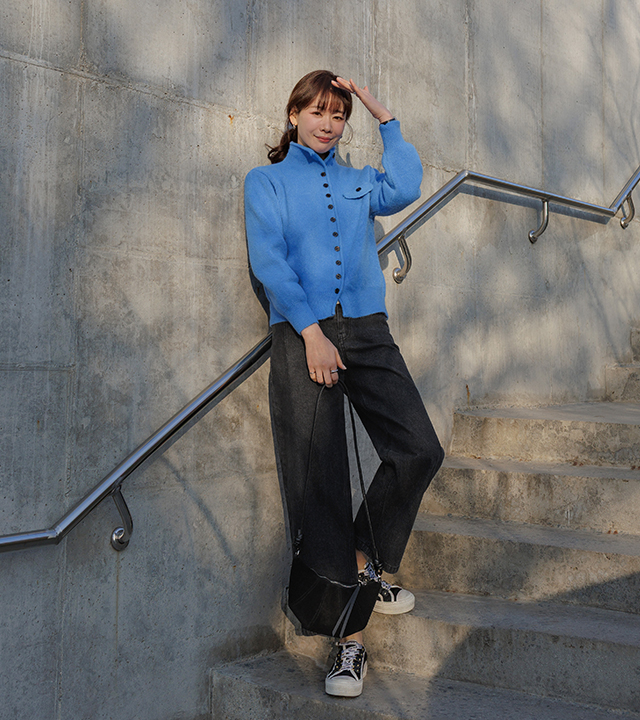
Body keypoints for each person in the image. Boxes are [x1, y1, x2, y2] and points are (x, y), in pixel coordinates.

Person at [244, 70, 444, 698]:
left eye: (338, 115)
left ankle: (365, 561)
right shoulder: (266, 182)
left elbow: (406, 185)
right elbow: (269, 260)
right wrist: (310, 333)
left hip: (366, 329)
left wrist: (384, 116)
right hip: (303, 333)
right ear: (294, 114)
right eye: (318, 112)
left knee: (418, 449)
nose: (329, 124)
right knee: (322, 480)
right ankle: (349, 642)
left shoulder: (360, 182)